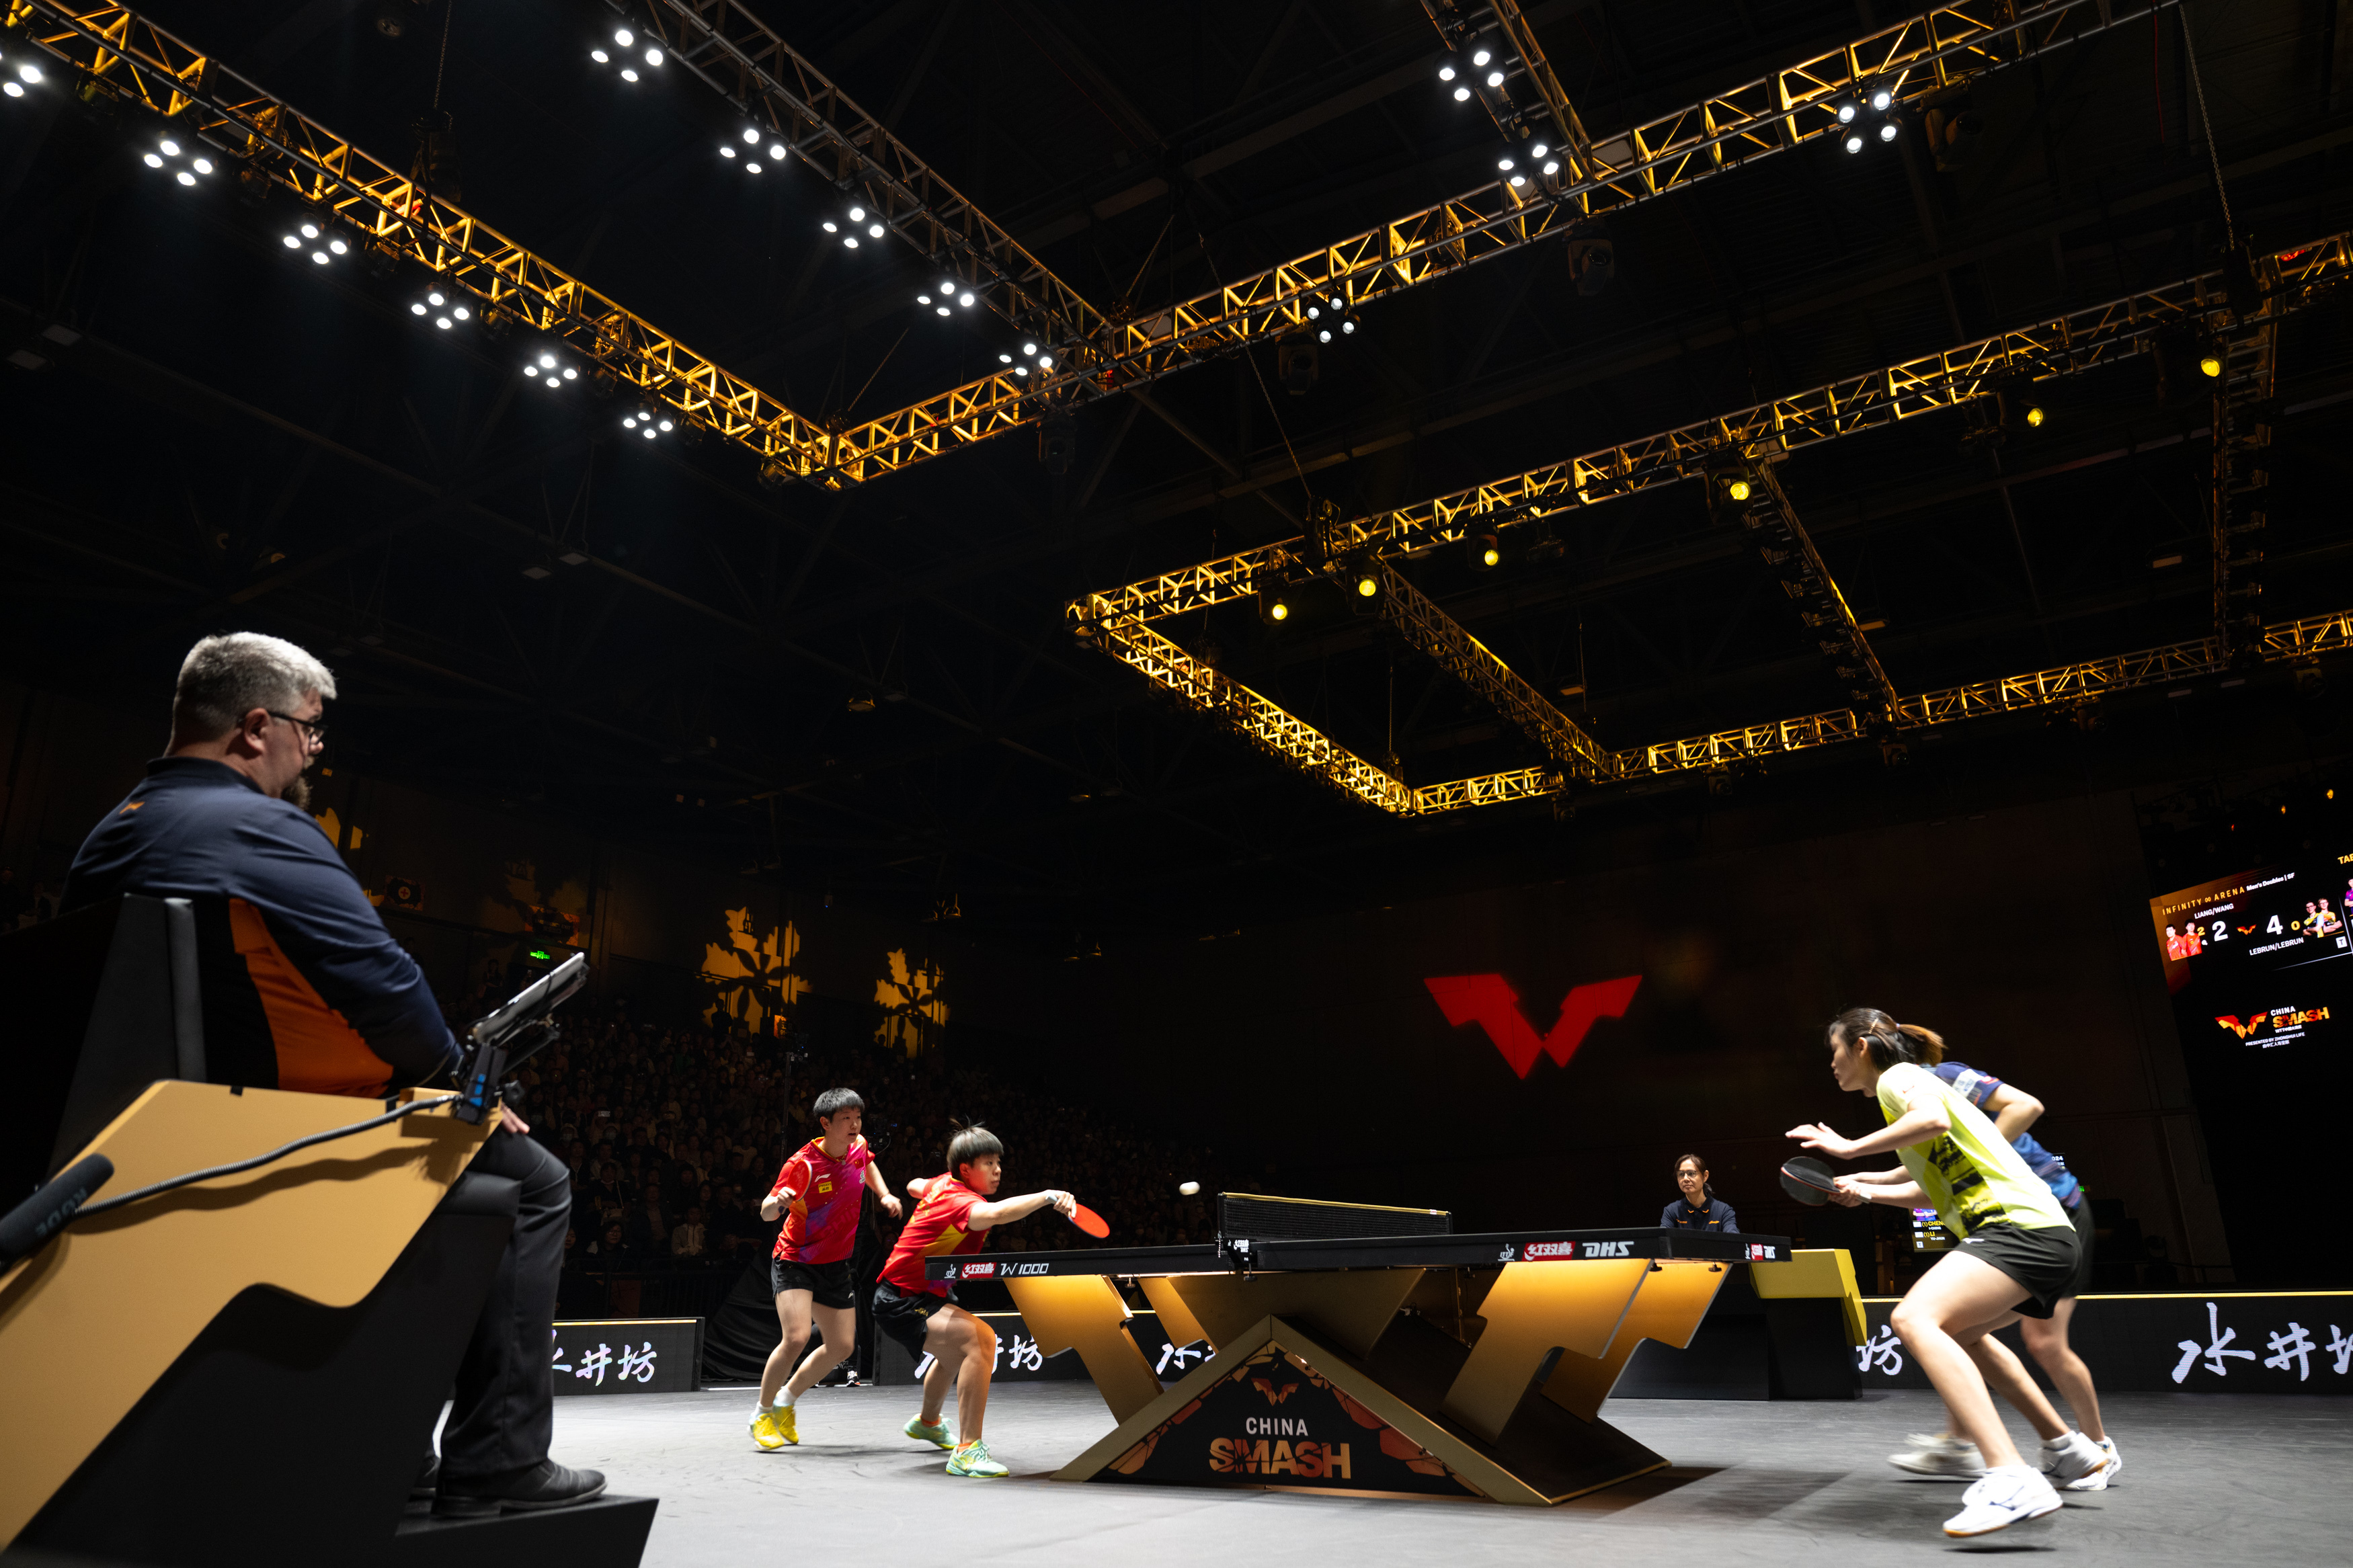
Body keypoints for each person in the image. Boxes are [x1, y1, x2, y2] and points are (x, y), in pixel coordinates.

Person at [59, 632, 604, 1517]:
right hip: (292, 1126)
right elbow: (385, 982)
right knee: (534, 1181)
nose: (315, 750)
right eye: (310, 729)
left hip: (155, 1132)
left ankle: (395, 1445)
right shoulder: (261, 826)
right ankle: (499, 1458)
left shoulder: (110, 832)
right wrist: (457, 1086)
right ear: (256, 727)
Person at [1787, 1008, 2105, 1539]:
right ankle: (2065, 1447)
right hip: (2048, 1235)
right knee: (1962, 1333)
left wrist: (1848, 1147)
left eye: (1835, 1050)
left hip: (2017, 1228)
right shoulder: (1912, 1094)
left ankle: (2009, 1474)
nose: (1833, 1062)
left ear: (1862, 1046)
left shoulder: (1899, 1078)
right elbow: (1926, 1188)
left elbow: (1931, 1120)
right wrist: (1865, 1188)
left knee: (1913, 1318)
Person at [1868, 1047, 2120, 1489]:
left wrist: (1986, 1157)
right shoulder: (1911, 1107)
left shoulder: (1940, 1076)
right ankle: (1970, 1444)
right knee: (1955, 1331)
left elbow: (2025, 1106)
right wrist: (1865, 1184)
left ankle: (2097, 1448)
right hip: (2001, 1217)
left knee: (2044, 1342)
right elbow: (1930, 1175)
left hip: (2048, 1208)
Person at [875, 1124, 1077, 1479]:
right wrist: (1047, 1196)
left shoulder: (943, 1184)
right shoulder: (959, 1201)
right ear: (966, 1169)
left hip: (927, 1291)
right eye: (988, 1163)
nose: (997, 1170)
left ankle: (927, 1423)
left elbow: (914, 1185)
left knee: (954, 1352)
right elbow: (996, 1215)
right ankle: (967, 1452)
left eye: (998, 1162)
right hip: (902, 1298)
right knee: (980, 1340)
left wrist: (925, 1192)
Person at [748, 1087, 904, 1449]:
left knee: (842, 1346)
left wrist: (883, 1194)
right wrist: (779, 1202)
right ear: (826, 1123)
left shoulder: (858, 1146)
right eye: (846, 1119)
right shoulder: (802, 1165)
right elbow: (767, 1212)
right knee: (797, 1337)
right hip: (796, 1260)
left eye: (857, 1117)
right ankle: (762, 1413)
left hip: (836, 1263)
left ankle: (786, 1400)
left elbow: (868, 1163)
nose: (854, 1125)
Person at [1660, 1153, 1738, 1231]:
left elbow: (1732, 1236)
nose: (1685, 1179)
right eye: (1681, 1174)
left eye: (1691, 1173)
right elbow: (1663, 1236)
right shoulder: (1671, 1211)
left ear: (1705, 1176)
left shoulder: (1723, 1211)